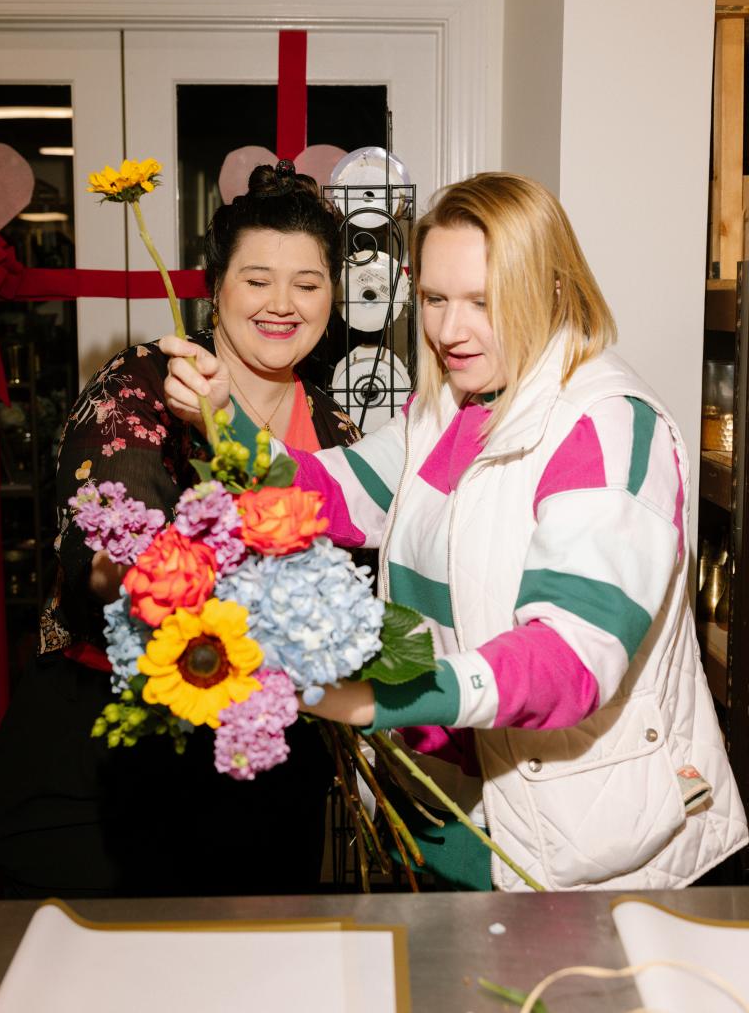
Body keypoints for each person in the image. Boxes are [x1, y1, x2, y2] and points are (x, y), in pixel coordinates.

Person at [162, 170, 749, 892]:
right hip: (446, 826)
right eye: (435, 299)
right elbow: (331, 495)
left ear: (552, 287)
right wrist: (224, 417)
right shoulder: (450, 404)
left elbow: (570, 660)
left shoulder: (607, 427)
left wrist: (378, 697)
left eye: (482, 301)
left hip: (586, 856)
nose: (447, 331)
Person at [0, 161, 359, 899]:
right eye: (257, 279)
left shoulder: (336, 427)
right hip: (108, 751)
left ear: (332, 297)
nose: (282, 304)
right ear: (214, 287)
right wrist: (136, 578)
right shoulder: (145, 384)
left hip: (264, 764)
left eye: (308, 284)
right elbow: (105, 552)